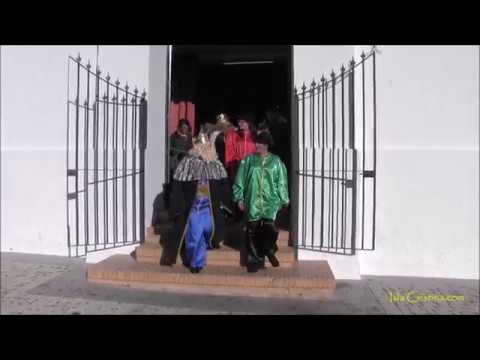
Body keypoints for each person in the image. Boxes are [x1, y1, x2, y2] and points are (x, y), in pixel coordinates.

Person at [160, 128, 231, 273]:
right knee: (194, 234)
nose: (205, 149)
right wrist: (177, 207)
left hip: (211, 209)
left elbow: (224, 186)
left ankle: (198, 257)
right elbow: (178, 188)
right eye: (202, 146)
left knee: (207, 233)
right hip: (194, 208)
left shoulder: (215, 164)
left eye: (207, 147)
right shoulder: (187, 163)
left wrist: (225, 204)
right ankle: (196, 262)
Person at [232, 131, 289, 273]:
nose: (257, 145)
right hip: (252, 201)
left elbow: (281, 182)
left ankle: (269, 249)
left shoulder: (276, 161)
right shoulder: (249, 160)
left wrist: (283, 199)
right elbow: (240, 180)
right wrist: (239, 198)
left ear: (267, 145)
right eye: (256, 142)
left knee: (270, 230)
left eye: (261, 143)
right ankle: (254, 261)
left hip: (270, 201)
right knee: (252, 231)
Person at [225, 113, 256, 181]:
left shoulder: (255, 136)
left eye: (243, 122)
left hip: (253, 168)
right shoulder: (233, 135)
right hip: (237, 167)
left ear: (249, 122)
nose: (239, 123)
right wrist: (234, 164)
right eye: (239, 121)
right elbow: (229, 151)